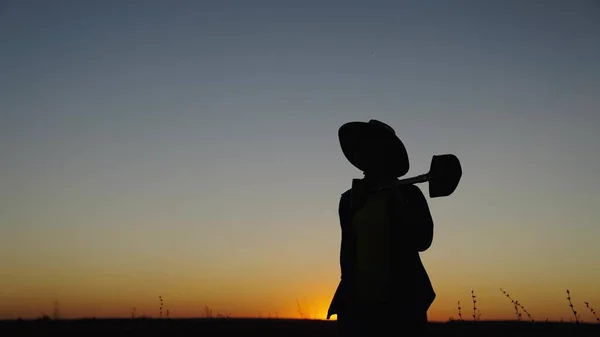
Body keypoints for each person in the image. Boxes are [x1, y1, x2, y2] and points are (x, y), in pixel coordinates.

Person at [327, 120, 436, 337]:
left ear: (386, 154)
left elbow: (423, 240)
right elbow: (347, 249)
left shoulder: (409, 194)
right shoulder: (349, 199)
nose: (363, 152)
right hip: (357, 305)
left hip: (403, 303)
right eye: (360, 147)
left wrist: (399, 203)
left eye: (371, 146)